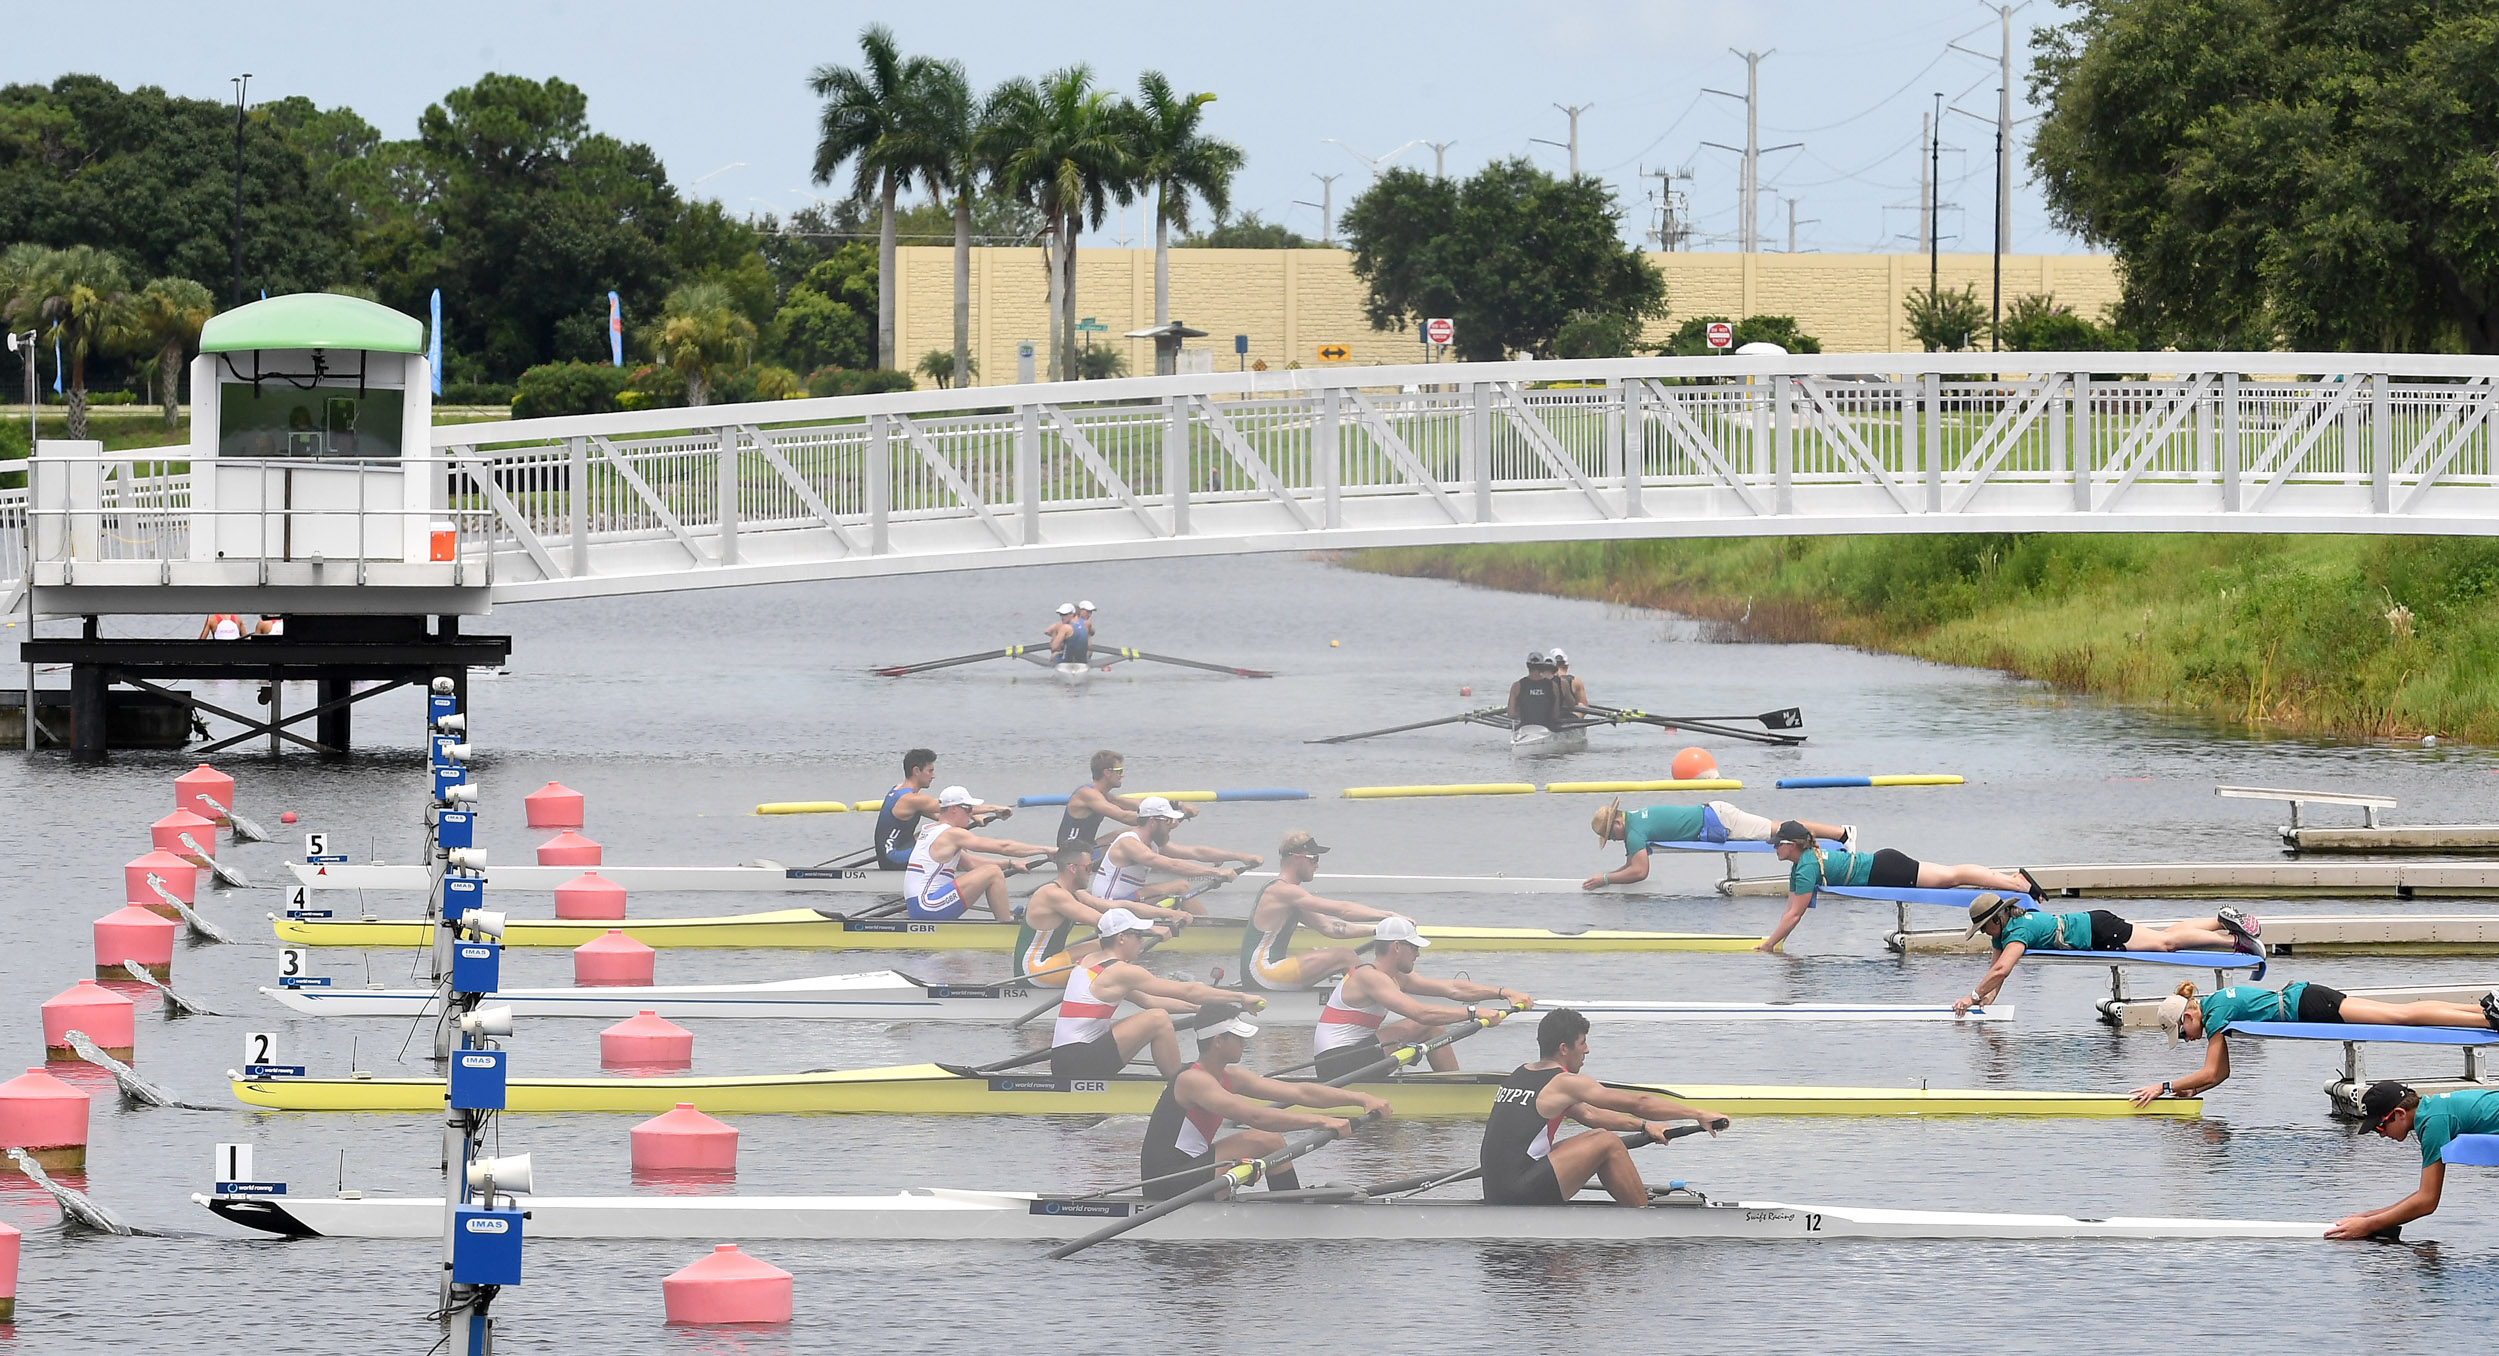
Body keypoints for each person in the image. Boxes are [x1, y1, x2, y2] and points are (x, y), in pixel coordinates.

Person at [1479, 1008, 1729, 1206]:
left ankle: (1632, 1208)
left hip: (1499, 1187)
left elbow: (1590, 1114)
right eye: (1582, 1043)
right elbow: (1638, 1102)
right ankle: (1644, 1220)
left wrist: (1644, 1126)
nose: (1587, 1050)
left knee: (1599, 1136)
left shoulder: (1520, 1074)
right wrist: (1698, 1114)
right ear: (1564, 1048)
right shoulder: (1563, 1082)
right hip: (1516, 1192)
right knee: (1607, 1143)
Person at [1138, 1014, 1389, 1200]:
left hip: (1194, 1170)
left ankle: (1287, 1205)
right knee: (1264, 1139)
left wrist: (1361, 1098)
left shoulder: (1230, 1076)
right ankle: (1290, 1215)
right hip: (1166, 1184)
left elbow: (1300, 1091)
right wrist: (1323, 1121)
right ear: (1218, 1041)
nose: (1244, 1043)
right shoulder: (1193, 1080)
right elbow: (1256, 1117)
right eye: (1238, 1037)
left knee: (1268, 1141)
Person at [2133, 982, 2499, 1106]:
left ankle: (2485, 1019)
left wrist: (2164, 1087)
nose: (2186, 1039)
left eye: (2182, 1033)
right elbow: (2222, 1075)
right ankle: (2482, 1009)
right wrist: (2191, 1091)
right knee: (2400, 1012)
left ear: (2188, 1016)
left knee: (2400, 1017)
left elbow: (2212, 1070)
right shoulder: (2214, 1006)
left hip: (2309, 1004)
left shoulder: (2215, 1014)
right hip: (2308, 997)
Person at [1952, 894, 2264, 1015]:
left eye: (1982, 927)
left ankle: (2234, 942)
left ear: (1996, 919)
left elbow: (2002, 970)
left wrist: (1970, 997)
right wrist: (1986, 1000)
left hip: (2100, 930)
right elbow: (1996, 971)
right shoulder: (2007, 928)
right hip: (2095, 921)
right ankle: (2221, 920)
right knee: (2165, 935)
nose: (1981, 932)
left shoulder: (2018, 933)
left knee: (2167, 944)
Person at [1764, 821, 2043, 953]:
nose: (1774, 848)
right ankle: (2011, 879)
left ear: (1790, 845)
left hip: (1887, 871)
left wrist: (1767, 946)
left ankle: (2014, 883)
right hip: (1885, 863)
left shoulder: (1806, 868)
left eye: (1777, 844)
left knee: (1953, 877)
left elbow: (1794, 915)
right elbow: (1791, 909)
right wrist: (1776, 941)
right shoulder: (1804, 863)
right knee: (1952, 874)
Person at [1049, 908, 1261, 1078]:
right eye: (1138, 935)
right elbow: (1187, 990)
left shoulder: (1089, 961)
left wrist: (1202, 1008)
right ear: (1121, 938)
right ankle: (1179, 1085)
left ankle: (1176, 1077)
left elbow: (1149, 1000)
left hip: (1065, 1058)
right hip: (1076, 1063)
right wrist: (1240, 996)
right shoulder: (1120, 971)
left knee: (1154, 1013)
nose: (1141, 941)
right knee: (1158, 1019)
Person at [1311, 916, 1528, 1079]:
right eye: (1414, 947)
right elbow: (1420, 1013)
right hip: (1336, 1065)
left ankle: (1455, 1085)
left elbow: (1453, 988)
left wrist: (1503, 993)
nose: (1418, 954)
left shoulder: (1395, 977)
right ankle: (1457, 1090)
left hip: (1354, 1058)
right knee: (1427, 1024)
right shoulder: (1369, 977)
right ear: (1397, 946)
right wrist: (1474, 1012)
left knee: (1434, 1028)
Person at [2326, 1081, 2499, 1239]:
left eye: (2380, 1127)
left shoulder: (2433, 1123)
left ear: (2400, 1113)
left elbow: (2427, 1202)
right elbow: (2422, 1196)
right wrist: (2369, 1216)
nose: (2382, 1135)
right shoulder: (2432, 1109)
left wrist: (2368, 1225)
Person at [1016, 842, 1194, 984]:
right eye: (1088, 867)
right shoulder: (1053, 894)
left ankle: (1128, 984)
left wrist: (1168, 915)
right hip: (1034, 972)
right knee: (1115, 942)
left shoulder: (1075, 893)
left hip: (1051, 963)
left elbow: (1120, 906)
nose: (1090, 873)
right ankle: (1131, 986)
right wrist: (1152, 929)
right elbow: (1103, 922)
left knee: (1108, 943)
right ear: (1072, 868)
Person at [1583, 798, 1855, 891]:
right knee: (1781, 829)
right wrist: (1610, 879)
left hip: (1720, 821)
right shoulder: (1635, 821)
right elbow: (1632, 865)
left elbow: (1640, 871)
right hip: (1716, 815)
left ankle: (1842, 834)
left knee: (1782, 829)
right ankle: (1838, 837)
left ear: (1617, 824)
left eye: (1612, 835)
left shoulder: (1633, 831)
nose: (1616, 839)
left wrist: (1606, 879)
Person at [1240, 831, 1396, 991]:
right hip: (1262, 973)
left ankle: (1367, 995)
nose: (1317, 865)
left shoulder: (1291, 895)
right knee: (1345, 956)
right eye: (1314, 858)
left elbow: (1330, 928)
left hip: (1263, 973)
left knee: (1342, 955)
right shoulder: (1282, 891)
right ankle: (1368, 998)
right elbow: (1343, 910)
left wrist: (1379, 930)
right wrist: (1389, 916)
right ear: (1297, 857)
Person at [905, 786, 1052, 922]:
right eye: (969, 809)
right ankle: (1006, 927)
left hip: (919, 907)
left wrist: (1011, 864)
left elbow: (970, 864)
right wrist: (1046, 850)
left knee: (991, 871)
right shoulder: (952, 834)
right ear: (954, 809)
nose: (972, 814)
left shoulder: (929, 830)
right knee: (993, 873)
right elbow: (1004, 847)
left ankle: (1004, 923)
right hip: (928, 907)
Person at [1091, 796, 1258, 913]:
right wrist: (1216, 872)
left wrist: (1241, 856)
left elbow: (1195, 852)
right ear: (1152, 822)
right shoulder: (1129, 843)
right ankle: (1203, 930)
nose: (1172, 825)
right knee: (1180, 886)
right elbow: (1171, 864)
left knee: (1178, 888)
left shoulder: (1153, 843)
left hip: (1129, 900)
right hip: (1109, 906)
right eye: (1168, 821)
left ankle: (1193, 923)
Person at [1057, 749, 1171, 858]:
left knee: (1131, 832)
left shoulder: (1105, 795)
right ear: (1107, 772)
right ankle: (1165, 861)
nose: (1122, 775)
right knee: (1137, 833)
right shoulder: (1087, 794)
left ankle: (1177, 856)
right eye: (1119, 771)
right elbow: (1124, 816)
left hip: (1087, 848)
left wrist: (1176, 805)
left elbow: (1137, 803)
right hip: (1072, 855)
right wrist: (1159, 820)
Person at [1507, 651, 1574, 732]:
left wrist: (1523, 713)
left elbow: (1511, 714)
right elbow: (1555, 715)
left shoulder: (1516, 686)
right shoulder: (1553, 686)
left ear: (1527, 665)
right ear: (1542, 666)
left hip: (1524, 728)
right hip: (1548, 728)